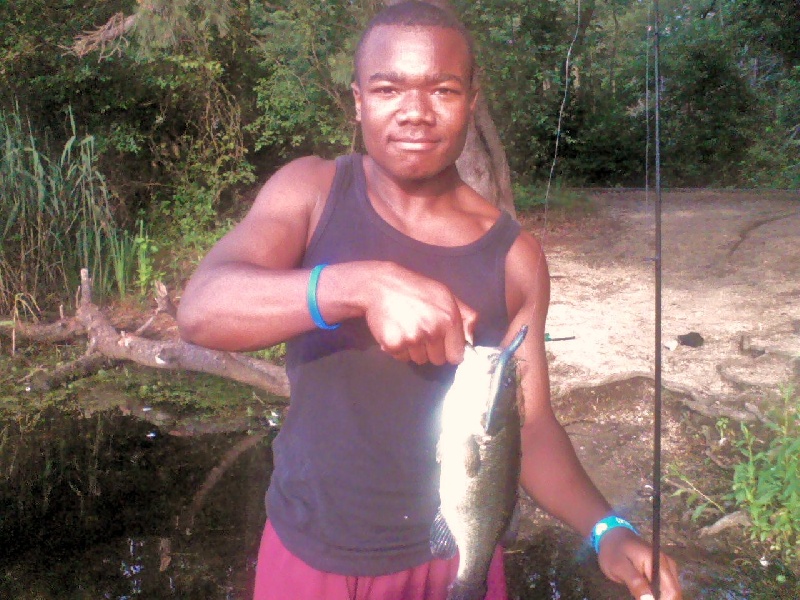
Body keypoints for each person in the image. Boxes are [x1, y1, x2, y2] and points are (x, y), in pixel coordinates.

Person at [176, 2, 682, 599]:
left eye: (442, 89)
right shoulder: (311, 190)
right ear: (359, 100)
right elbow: (201, 310)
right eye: (389, 88)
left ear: (471, 98)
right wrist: (357, 285)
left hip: (457, 558)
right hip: (310, 554)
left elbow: (530, 424)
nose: (415, 113)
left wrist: (607, 529)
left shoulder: (516, 257)